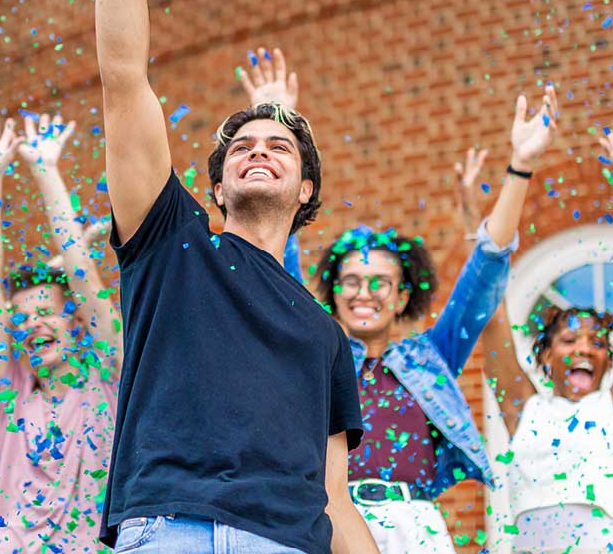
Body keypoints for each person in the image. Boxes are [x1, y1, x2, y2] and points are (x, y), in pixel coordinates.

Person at [94, 0, 377, 554]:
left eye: (279, 145)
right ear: (214, 188)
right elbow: (124, 79)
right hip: (168, 529)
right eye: (241, 145)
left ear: (307, 190)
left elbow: (335, 497)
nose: (258, 149)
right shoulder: (171, 247)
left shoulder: (323, 333)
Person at [238, 48, 559, 552]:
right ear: (333, 292)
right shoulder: (315, 352)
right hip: (327, 522)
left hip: (415, 526)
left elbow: (486, 268)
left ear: (402, 294)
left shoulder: (432, 357)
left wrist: (520, 166)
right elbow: (284, 244)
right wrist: (281, 121)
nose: (364, 293)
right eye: (351, 281)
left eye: (379, 283)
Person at [0, 113, 120, 554]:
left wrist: (46, 170)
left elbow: (84, 278)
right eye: (23, 319)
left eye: (46, 312)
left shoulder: (105, 374)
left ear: (72, 319)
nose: (35, 325)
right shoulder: (8, 391)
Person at [481, 128, 613, 553]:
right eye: (569, 339)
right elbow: (491, 319)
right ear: (545, 354)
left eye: (598, 342)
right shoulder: (524, 409)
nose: (584, 347)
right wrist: (477, 230)